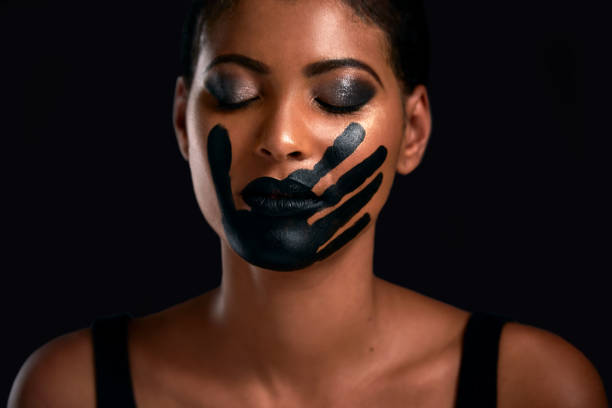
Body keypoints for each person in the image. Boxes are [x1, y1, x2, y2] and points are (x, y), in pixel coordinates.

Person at [8, 0, 608, 407]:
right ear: (182, 122)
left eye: (338, 95)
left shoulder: (531, 388)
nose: (281, 138)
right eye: (235, 92)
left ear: (414, 130)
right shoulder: (71, 390)